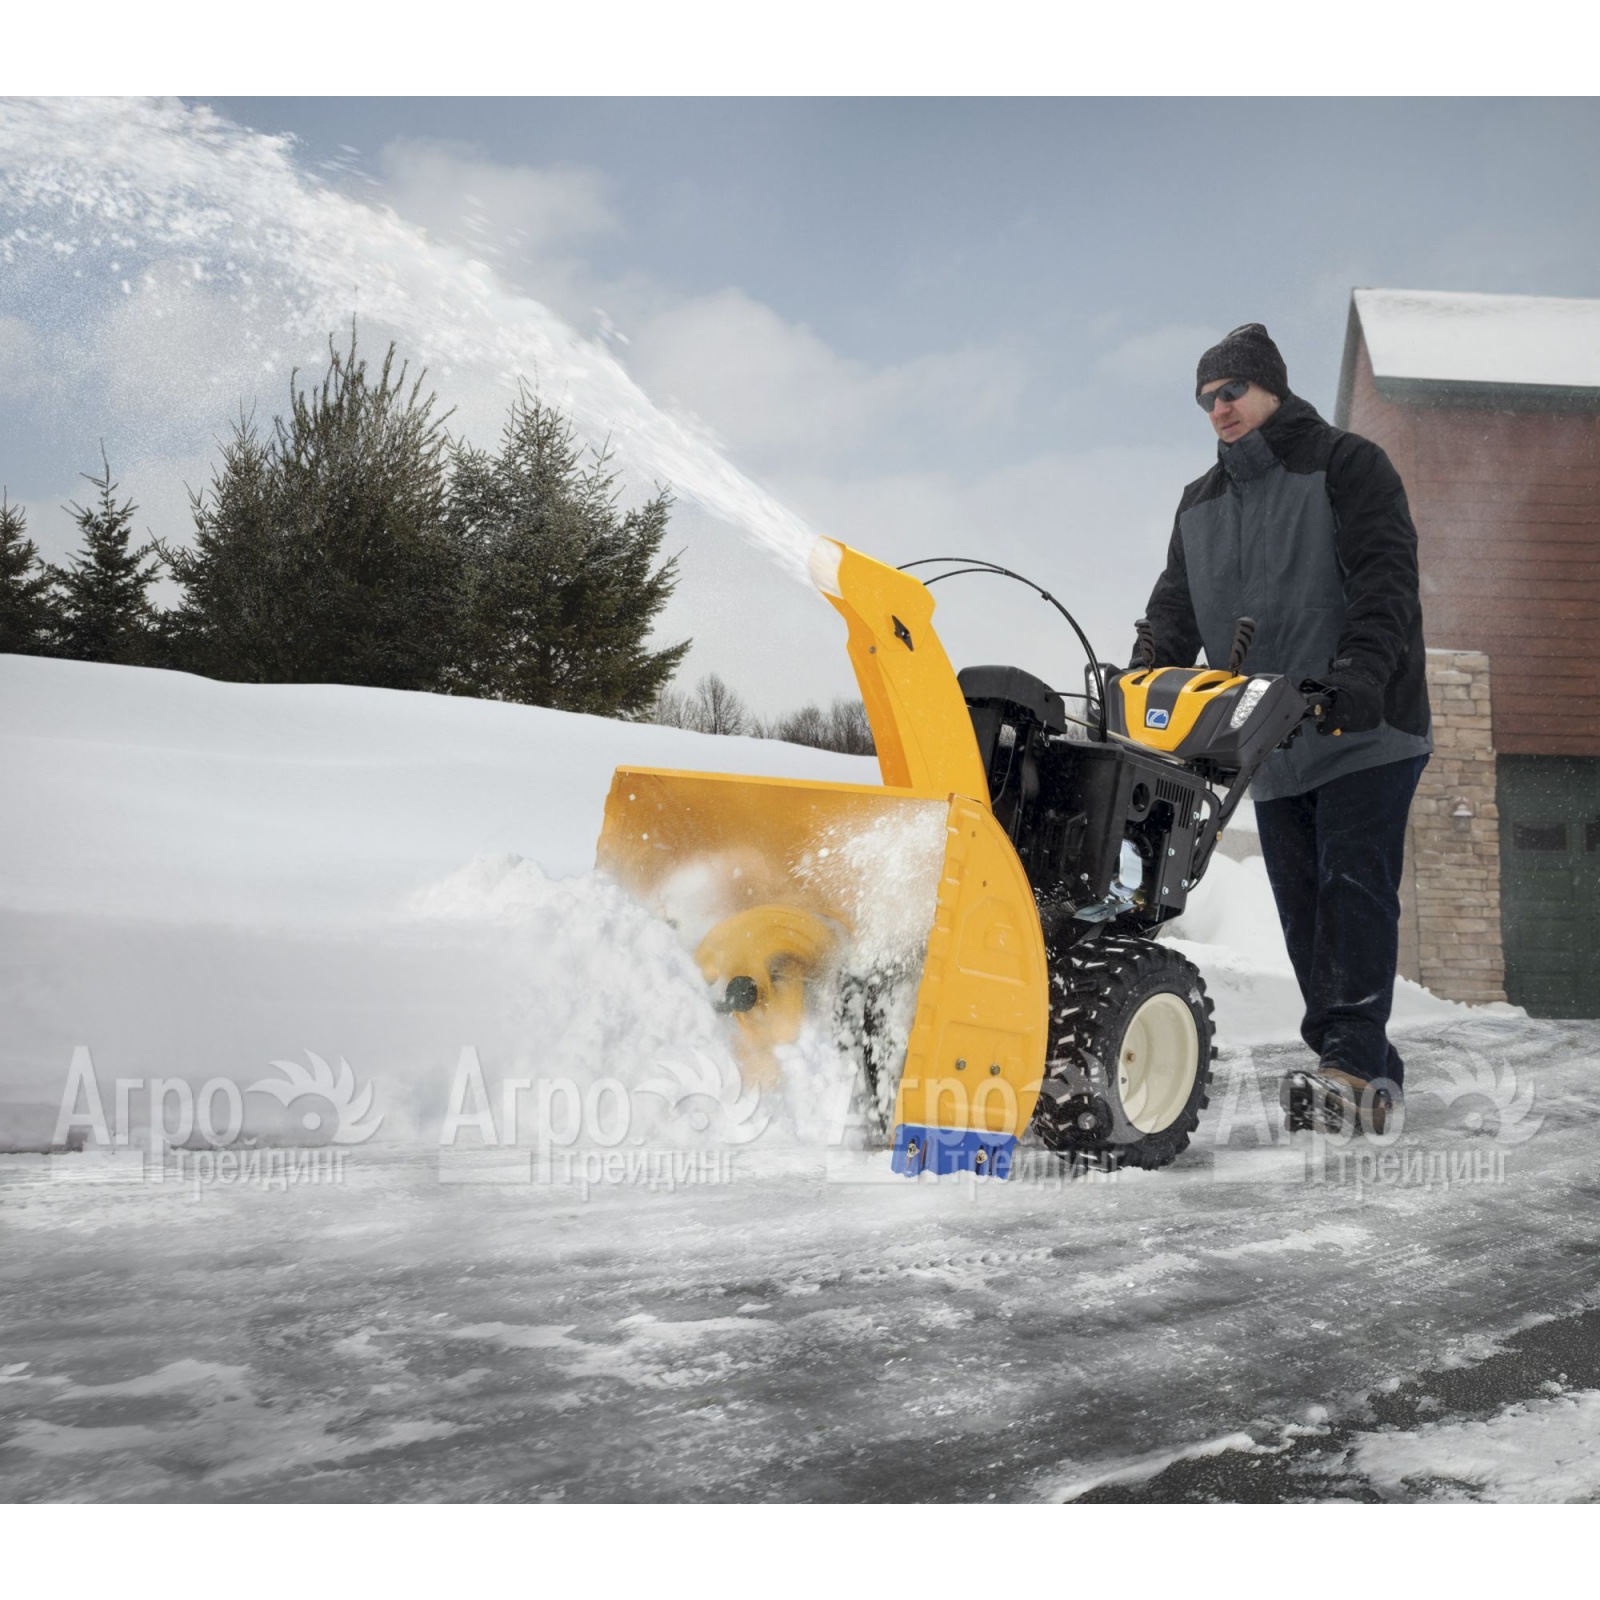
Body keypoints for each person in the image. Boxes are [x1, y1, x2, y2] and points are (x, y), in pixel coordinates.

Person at [1136, 323, 1432, 1134]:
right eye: (1206, 399)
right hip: (1268, 738)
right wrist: (1143, 679)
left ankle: (1350, 1069)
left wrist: (1360, 675)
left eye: (1232, 391)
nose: (1219, 408)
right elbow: (1173, 610)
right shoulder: (1199, 502)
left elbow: (1384, 580)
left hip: (1364, 728)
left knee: (1352, 891)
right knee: (1304, 911)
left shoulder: (1347, 464)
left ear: (1271, 387)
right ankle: (1364, 1061)